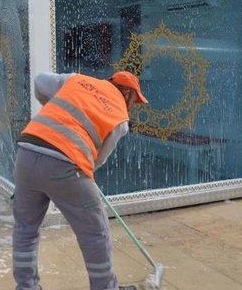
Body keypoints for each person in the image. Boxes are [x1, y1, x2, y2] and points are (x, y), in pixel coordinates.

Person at [12, 71, 148, 290]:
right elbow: (99, 158)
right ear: (127, 92)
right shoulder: (121, 117)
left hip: (26, 151)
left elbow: (39, 81)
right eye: (135, 100)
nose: (134, 105)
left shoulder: (77, 80)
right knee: (95, 232)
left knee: (25, 229)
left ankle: (26, 286)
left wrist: (51, 107)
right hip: (66, 163)